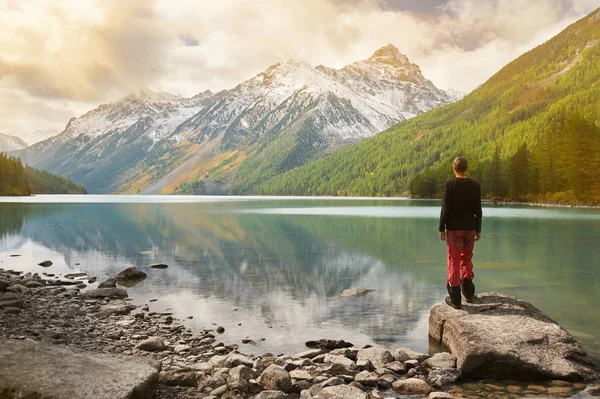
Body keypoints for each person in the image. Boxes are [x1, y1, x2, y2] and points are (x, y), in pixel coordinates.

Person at [439, 157, 482, 309]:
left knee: (453, 261)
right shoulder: (475, 185)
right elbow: (478, 210)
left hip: (454, 230)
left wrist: (441, 228)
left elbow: (445, 208)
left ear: (454, 168)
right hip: (470, 228)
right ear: (466, 168)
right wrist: (478, 229)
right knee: (466, 258)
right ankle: (469, 293)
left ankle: (456, 299)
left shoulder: (450, 185)